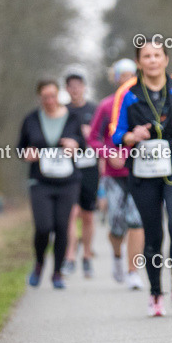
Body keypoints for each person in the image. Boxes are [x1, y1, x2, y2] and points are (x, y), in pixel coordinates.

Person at [111, 42, 172, 316]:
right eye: (146, 57)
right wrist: (131, 136)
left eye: (157, 55)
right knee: (152, 234)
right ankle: (155, 294)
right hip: (143, 169)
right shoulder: (127, 93)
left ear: (165, 59)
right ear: (139, 62)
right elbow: (116, 133)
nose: (152, 60)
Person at [17, 79, 85, 289]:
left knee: (62, 227)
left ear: (59, 95)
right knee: (44, 226)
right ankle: (39, 263)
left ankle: (57, 273)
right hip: (40, 181)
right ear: (40, 98)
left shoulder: (72, 118)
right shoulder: (31, 119)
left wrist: (75, 145)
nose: (50, 100)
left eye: (53, 96)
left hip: (68, 182)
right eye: (45, 97)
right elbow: (20, 148)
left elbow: (83, 145)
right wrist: (26, 154)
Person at [88, 58, 145, 290]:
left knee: (136, 220)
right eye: (123, 76)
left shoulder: (144, 103)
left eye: (132, 75)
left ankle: (133, 271)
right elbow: (93, 138)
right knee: (117, 224)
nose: (128, 80)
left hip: (141, 171)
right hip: (114, 174)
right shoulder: (106, 106)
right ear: (116, 79)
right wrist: (109, 153)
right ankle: (117, 257)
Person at [63, 72, 99, 278]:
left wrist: (90, 136)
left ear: (84, 87)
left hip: (90, 168)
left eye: (78, 85)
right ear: (67, 89)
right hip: (68, 168)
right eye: (71, 86)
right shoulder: (63, 112)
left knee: (87, 215)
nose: (75, 89)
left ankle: (86, 256)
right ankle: (70, 256)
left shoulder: (94, 110)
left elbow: (105, 136)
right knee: (70, 213)